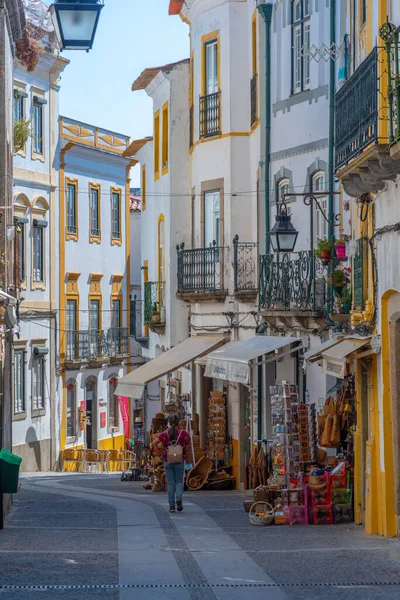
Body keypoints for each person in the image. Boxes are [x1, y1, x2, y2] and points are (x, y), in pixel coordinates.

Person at [151, 414, 191, 513]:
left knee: (170, 483)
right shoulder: (184, 434)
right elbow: (187, 449)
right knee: (179, 482)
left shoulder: (164, 434)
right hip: (180, 460)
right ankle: (178, 498)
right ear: (179, 422)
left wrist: (159, 454)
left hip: (167, 460)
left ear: (168, 423)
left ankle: (172, 506)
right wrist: (189, 461)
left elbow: (154, 443)